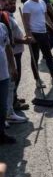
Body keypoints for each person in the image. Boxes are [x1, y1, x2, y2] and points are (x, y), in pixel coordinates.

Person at [1, 0, 28, 124]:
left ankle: (11, 106)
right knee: (10, 82)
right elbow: (9, 41)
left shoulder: (6, 16)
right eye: (6, 2)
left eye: (11, 2)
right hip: (9, 55)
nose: (7, 4)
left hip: (12, 53)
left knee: (12, 82)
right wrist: (24, 41)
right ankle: (9, 111)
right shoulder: (3, 17)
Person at [0, 10, 17, 144]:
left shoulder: (2, 27)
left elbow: (8, 48)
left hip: (3, 74)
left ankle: (1, 134)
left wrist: (13, 67)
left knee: (3, 106)